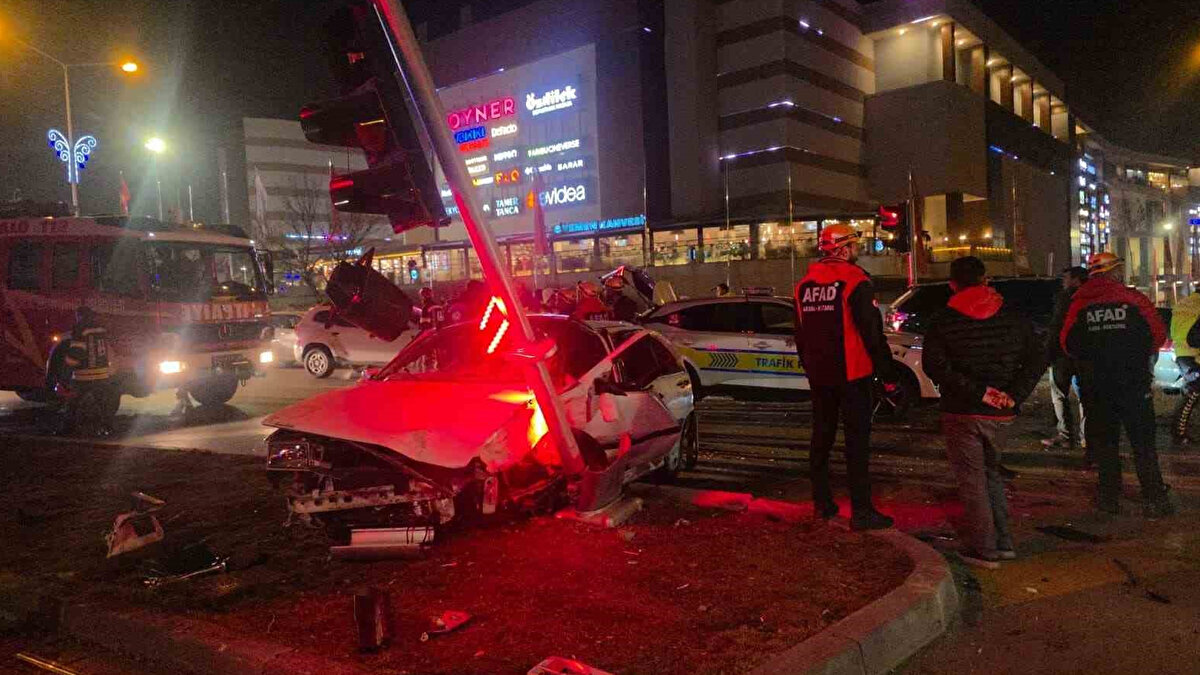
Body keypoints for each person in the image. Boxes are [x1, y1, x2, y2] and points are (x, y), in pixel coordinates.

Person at [922, 257, 1045, 568]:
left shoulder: (944, 320)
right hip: (1001, 414)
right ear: (985, 280)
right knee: (991, 475)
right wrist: (1013, 396)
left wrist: (979, 392)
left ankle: (984, 549)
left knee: (972, 481)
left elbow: (935, 366)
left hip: (962, 411)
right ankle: (1003, 542)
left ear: (952, 284)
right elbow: (1037, 359)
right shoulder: (1013, 318)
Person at [794, 223, 896, 531]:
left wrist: (810, 367)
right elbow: (871, 332)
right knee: (856, 443)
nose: (857, 251)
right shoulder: (856, 280)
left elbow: (799, 334)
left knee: (821, 439)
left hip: (820, 375)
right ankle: (862, 512)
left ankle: (822, 503)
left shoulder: (803, 285)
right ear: (843, 248)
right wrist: (886, 373)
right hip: (854, 374)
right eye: (854, 245)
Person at [1061, 252, 1174, 517]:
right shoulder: (1134, 299)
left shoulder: (1078, 303)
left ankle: (1109, 496)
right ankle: (1154, 496)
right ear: (1114, 272)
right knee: (1143, 443)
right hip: (1133, 384)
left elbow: (1068, 343)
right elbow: (1157, 335)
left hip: (1096, 386)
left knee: (1106, 443)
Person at [48, 306, 117, 434]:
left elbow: (77, 352)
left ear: (79, 316)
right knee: (103, 403)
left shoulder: (80, 328)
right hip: (101, 373)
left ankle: (67, 429)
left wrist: (65, 374)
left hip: (84, 375)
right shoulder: (101, 329)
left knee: (72, 404)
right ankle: (108, 429)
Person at [1043, 266, 1089, 451]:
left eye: (1066, 278)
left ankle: (1066, 436)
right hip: (1084, 355)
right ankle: (1086, 439)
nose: (1063, 281)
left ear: (1076, 280)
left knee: (1059, 395)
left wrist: (1049, 351)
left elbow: (1057, 325)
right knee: (1084, 397)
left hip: (1063, 355)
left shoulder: (1065, 298)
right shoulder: (1091, 298)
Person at [1169, 286, 1200, 445]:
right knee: (1194, 392)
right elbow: (1195, 337)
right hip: (1195, 355)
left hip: (1182, 354)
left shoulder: (1184, 303)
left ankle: (1179, 432)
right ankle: (1179, 433)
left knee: (1192, 392)